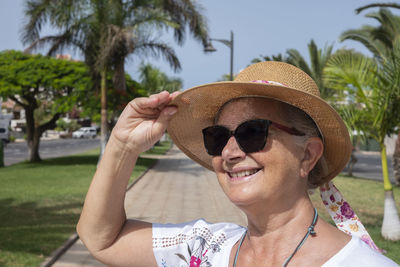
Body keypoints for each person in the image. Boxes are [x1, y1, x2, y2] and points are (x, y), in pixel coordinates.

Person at [77, 61, 399, 266]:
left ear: (307, 155)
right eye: (217, 137)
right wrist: (121, 146)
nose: (229, 152)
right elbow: (102, 239)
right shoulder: (203, 249)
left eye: (252, 132)